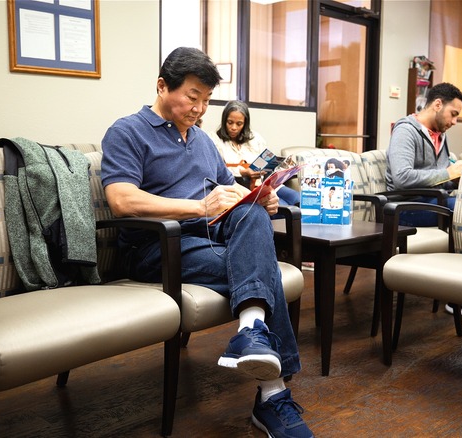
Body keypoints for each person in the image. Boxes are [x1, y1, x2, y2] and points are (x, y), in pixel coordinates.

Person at [100, 47, 313, 438]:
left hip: (208, 239)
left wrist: (258, 197)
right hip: (156, 248)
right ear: (163, 86)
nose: (199, 108)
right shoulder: (126, 131)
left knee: (250, 214)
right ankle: (272, 395)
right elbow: (121, 199)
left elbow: (227, 190)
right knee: (263, 271)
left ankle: (250, 332)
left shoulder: (200, 140)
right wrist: (198, 206)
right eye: (192, 97)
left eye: (206, 100)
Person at [385, 82, 462, 321]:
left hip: (431, 202)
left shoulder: (440, 136)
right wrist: (449, 174)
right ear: (437, 104)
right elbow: (401, 177)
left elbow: (441, 179)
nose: (454, 121)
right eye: (453, 114)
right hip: (404, 208)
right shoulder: (406, 130)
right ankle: (461, 298)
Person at [210, 100, 299, 206]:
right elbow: (216, 170)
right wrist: (243, 172)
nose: (234, 127)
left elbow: (267, 159)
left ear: (245, 124)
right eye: (230, 122)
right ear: (224, 121)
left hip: (264, 184)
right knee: (285, 207)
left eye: (239, 124)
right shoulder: (214, 139)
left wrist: (280, 168)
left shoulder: (255, 138)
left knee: (299, 199)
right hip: (243, 188)